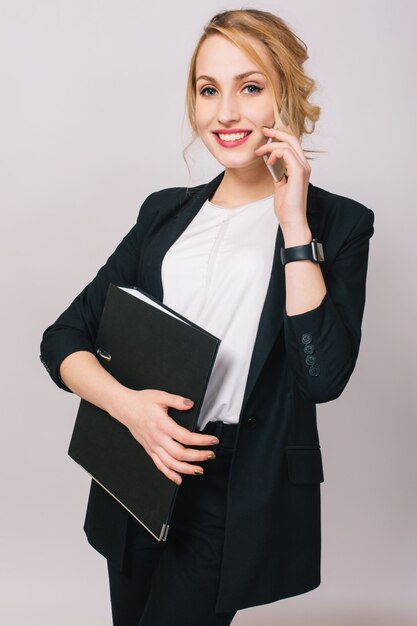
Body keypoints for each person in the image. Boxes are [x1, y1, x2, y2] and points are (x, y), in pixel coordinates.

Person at [40, 8, 375, 626]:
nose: (225, 112)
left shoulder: (338, 223)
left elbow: (321, 377)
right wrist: (130, 409)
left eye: (250, 88)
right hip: (138, 464)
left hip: (233, 484)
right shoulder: (164, 215)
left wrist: (294, 224)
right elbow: (62, 339)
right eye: (208, 89)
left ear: (286, 97)